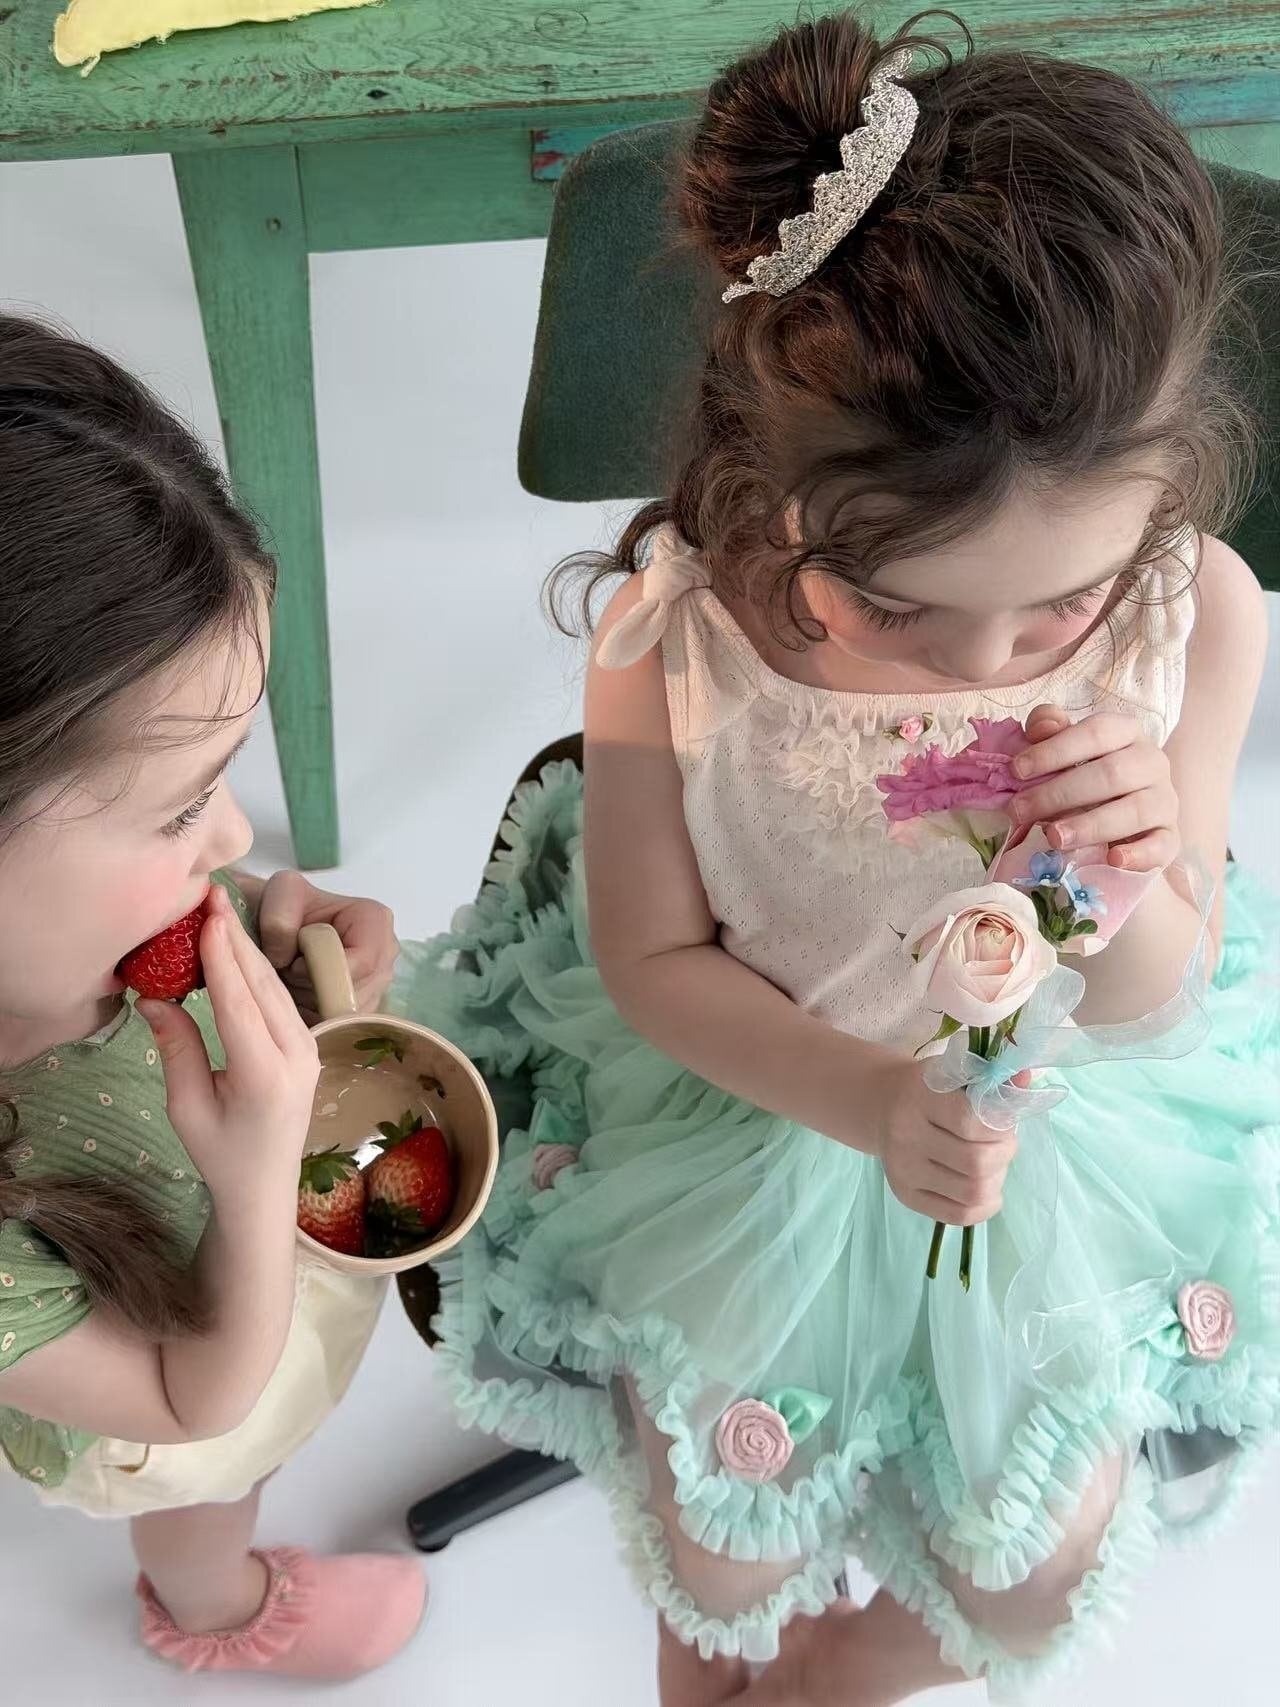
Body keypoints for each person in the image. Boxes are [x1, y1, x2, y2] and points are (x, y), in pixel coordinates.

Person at [391, 12, 1279, 1705]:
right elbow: (656, 961)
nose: (987, 663)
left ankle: (842, 1673)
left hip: (1063, 1135)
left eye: (1065, 602)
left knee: (1038, 1558)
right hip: (762, 1096)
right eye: (896, 602)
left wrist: (1138, 872)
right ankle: (735, 1651)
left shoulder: (1200, 618)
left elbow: (1156, 1004)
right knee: (728, 1533)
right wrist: (870, 1102)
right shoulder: (678, 639)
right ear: (772, 475)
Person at [0, 314, 424, 1679]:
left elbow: (221, 893)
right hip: (180, 1385)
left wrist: (304, 965)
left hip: (253, 1254)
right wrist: (251, 1180)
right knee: (212, 1496)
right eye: (183, 807)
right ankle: (214, 1609)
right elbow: (193, 1401)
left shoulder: (93, 926)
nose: (237, 841)